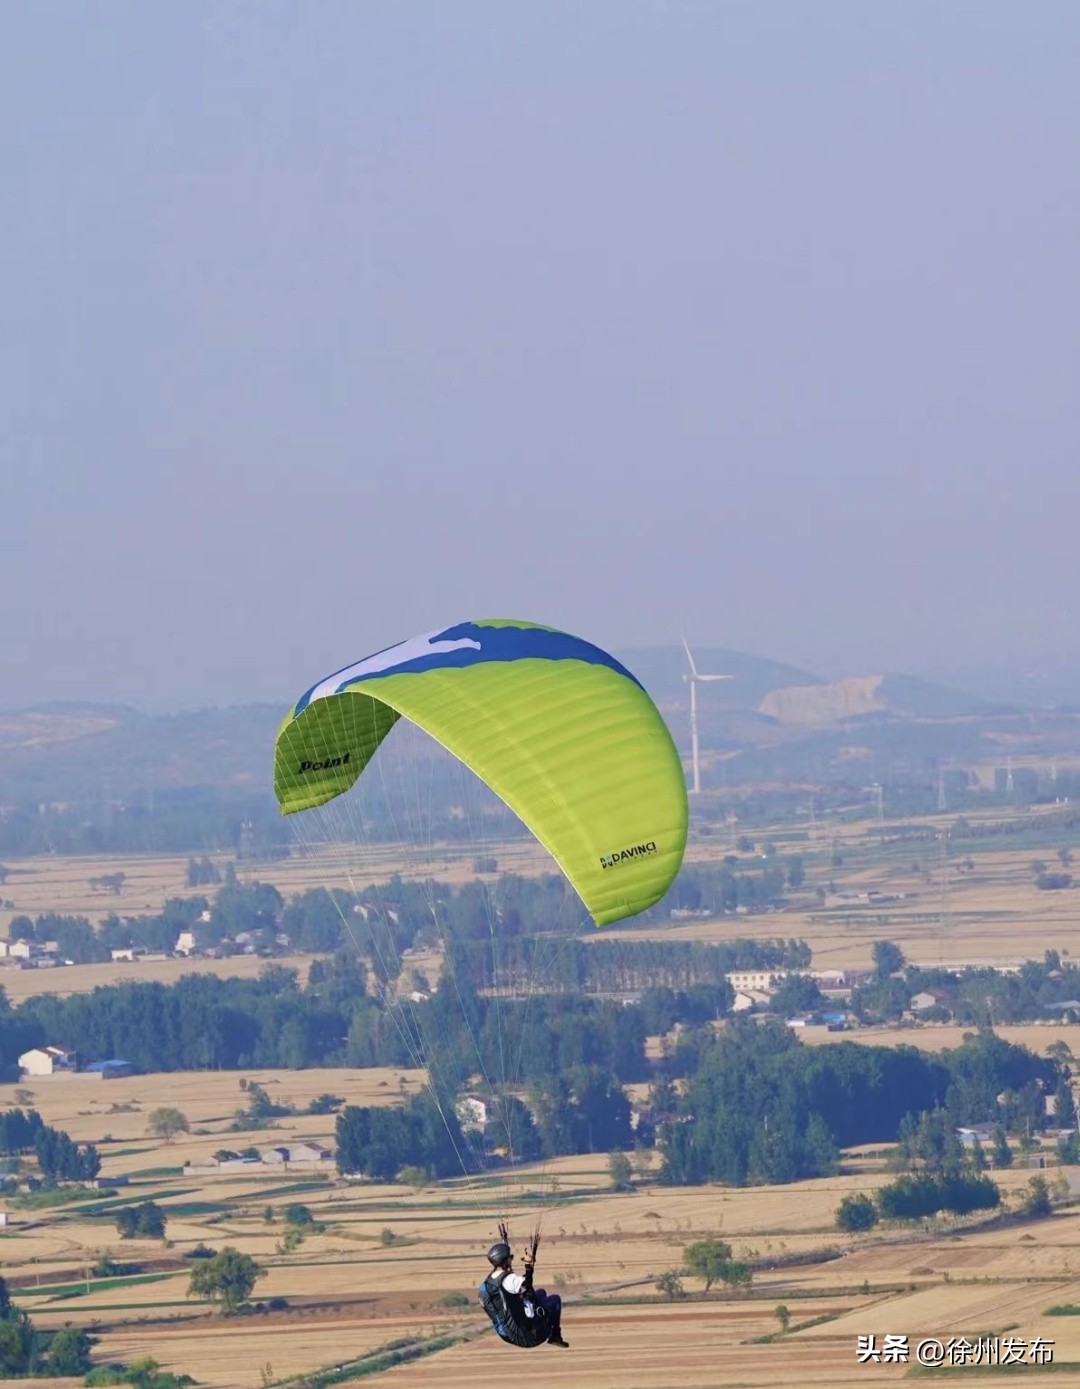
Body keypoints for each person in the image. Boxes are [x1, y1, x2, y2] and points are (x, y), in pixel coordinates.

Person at [478, 1227, 569, 1349]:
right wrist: (529, 1266)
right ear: (505, 1261)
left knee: (541, 1292)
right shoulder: (509, 1279)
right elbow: (528, 1287)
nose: (512, 1259)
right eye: (510, 1257)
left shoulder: (489, 1282)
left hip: (509, 1334)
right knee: (555, 1299)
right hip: (528, 1336)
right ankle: (555, 1336)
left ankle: (551, 1332)